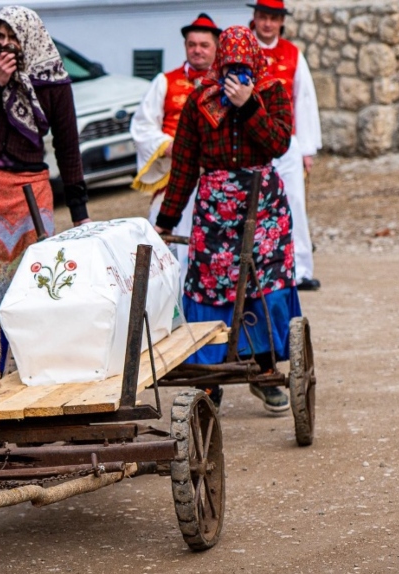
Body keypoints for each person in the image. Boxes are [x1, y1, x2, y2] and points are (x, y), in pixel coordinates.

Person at [154, 25, 300, 412]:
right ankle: (208, 381)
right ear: (221, 63)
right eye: (230, 65)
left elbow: (279, 143)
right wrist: (166, 221)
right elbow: (184, 165)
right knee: (209, 284)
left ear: (254, 61)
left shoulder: (272, 93)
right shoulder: (201, 100)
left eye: (243, 65)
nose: (236, 73)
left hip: (263, 204)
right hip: (216, 209)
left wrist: (249, 105)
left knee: (262, 282)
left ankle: (264, 370)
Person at [0, 5, 89, 309]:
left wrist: (79, 213)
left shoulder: (53, 77)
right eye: (0, 35)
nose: (5, 44)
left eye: (14, 37)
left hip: (28, 195)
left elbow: (67, 144)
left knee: (31, 288)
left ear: (30, 38)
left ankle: (17, 354)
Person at [130, 13, 220, 283]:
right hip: (172, 178)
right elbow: (142, 125)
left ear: (216, 47)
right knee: (163, 245)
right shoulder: (165, 81)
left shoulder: (224, 84)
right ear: (185, 47)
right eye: (192, 44)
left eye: (204, 45)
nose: (197, 50)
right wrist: (170, 147)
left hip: (212, 179)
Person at [249, 0, 323, 291]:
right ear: (254, 17)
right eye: (263, 17)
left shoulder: (292, 54)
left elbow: (303, 100)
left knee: (294, 202)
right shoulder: (243, 48)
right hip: (251, 142)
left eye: (273, 18)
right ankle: (254, 269)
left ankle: (300, 269)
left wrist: (306, 149)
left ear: (281, 22)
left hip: (284, 142)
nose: (267, 24)